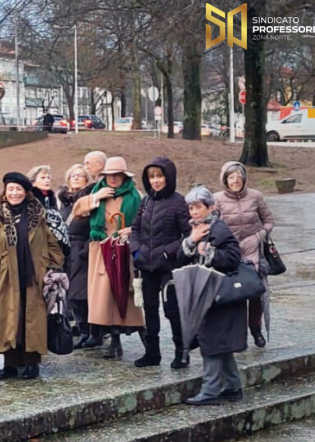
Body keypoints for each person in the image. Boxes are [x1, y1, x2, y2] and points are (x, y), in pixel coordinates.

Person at [0, 173, 65, 379]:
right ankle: (10, 363)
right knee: (8, 317)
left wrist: (52, 265)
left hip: (34, 274)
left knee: (32, 318)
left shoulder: (38, 214)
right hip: (7, 275)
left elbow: (52, 242)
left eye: (18, 189)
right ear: (5, 191)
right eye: (10, 189)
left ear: (26, 192)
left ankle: (32, 363)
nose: (14, 193)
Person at [178, 187, 247, 405]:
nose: (194, 212)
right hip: (206, 294)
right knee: (219, 342)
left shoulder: (218, 228)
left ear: (210, 207)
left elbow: (234, 256)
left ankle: (210, 390)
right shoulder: (196, 229)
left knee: (212, 342)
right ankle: (233, 386)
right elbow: (180, 257)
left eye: (198, 207)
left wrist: (208, 253)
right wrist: (191, 242)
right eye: (191, 207)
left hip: (219, 295)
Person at [72, 157, 144, 359]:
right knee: (105, 297)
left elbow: (143, 220)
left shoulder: (134, 195)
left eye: (117, 175)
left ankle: (145, 338)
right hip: (100, 248)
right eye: (109, 175)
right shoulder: (97, 191)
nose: (112, 179)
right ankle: (114, 341)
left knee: (125, 294)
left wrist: (132, 229)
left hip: (124, 248)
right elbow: (77, 210)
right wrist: (96, 198)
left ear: (124, 176)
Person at [129, 157, 192, 368]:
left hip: (169, 267)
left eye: (160, 176)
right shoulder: (146, 201)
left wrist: (167, 253)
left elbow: (188, 234)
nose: (156, 181)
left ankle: (181, 351)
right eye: (152, 177)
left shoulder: (179, 202)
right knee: (150, 309)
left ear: (168, 177)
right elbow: (135, 228)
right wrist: (136, 251)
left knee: (172, 310)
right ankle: (152, 352)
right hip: (146, 265)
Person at [214, 162, 274, 348]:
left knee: (254, 291)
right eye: (231, 177)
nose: (235, 181)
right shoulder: (217, 199)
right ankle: (235, 333)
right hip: (230, 252)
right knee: (234, 293)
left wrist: (258, 237)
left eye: (239, 177)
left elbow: (269, 221)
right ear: (225, 180)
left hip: (253, 250)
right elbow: (212, 225)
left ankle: (255, 328)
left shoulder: (256, 196)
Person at [58, 164, 99, 349]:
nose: (76, 178)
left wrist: (86, 249)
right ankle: (85, 331)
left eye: (80, 175)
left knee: (80, 294)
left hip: (83, 249)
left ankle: (91, 332)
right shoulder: (65, 201)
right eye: (72, 175)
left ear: (86, 179)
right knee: (71, 294)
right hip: (67, 251)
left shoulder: (89, 199)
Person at [27, 165, 70, 257]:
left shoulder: (51, 200)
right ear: (33, 182)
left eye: (48, 178)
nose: (47, 180)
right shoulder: (30, 201)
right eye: (42, 178)